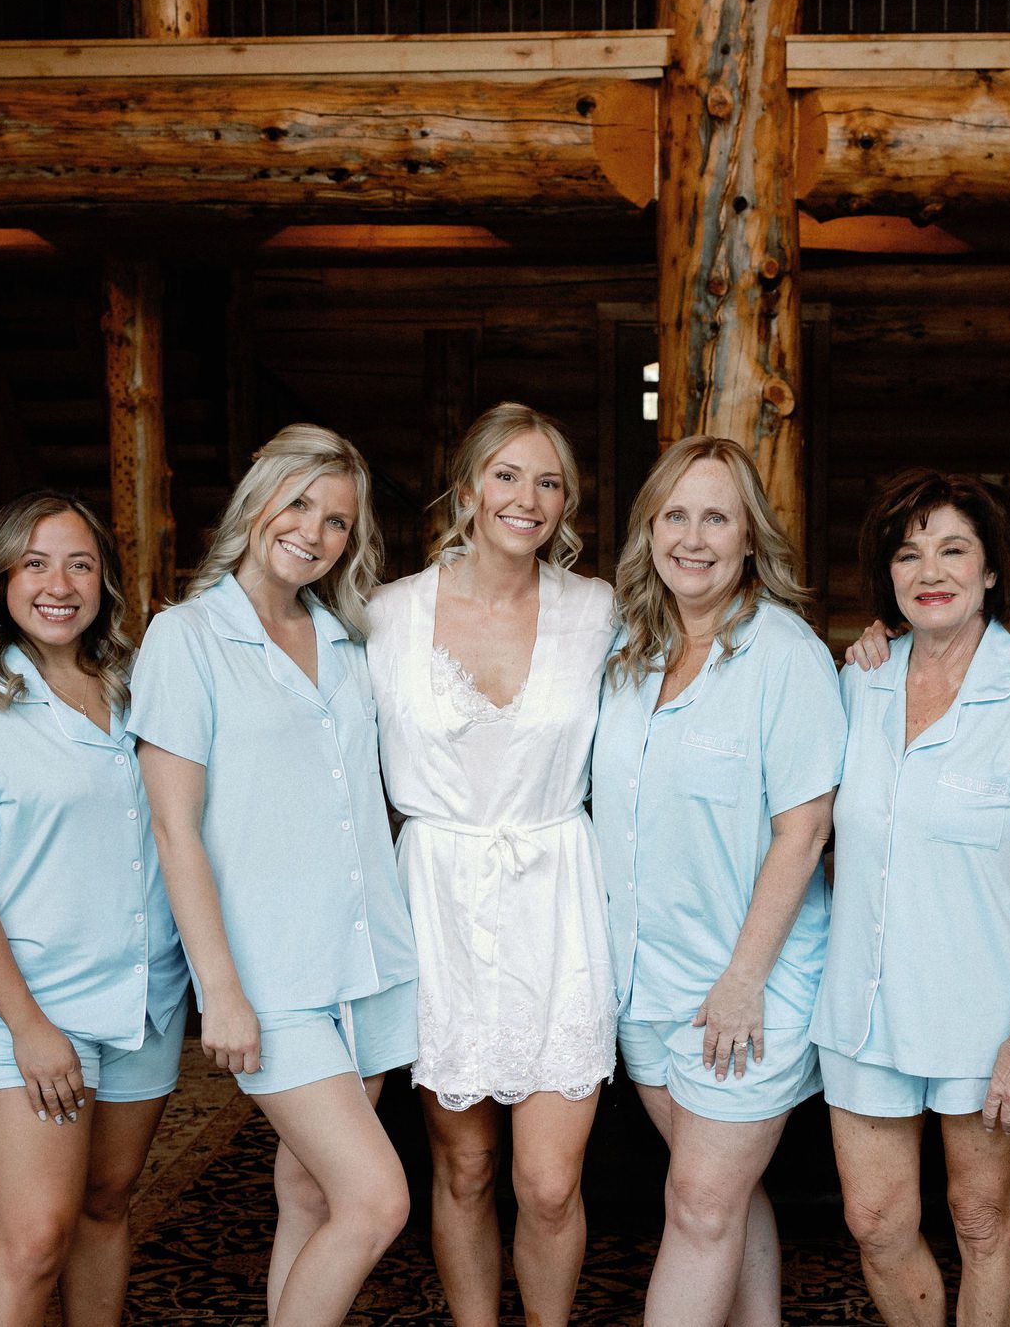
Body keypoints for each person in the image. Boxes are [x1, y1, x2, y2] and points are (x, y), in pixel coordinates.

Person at [131, 424, 416, 1327]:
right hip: (272, 972)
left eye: (337, 520)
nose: (313, 531)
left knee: (313, 1195)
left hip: (368, 959)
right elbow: (175, 830)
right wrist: (221, 990)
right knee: (377, 1201)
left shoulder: (348, 638)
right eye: (298, 503)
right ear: (257, 502)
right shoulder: (186, 639)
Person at [816, 469, 1010, 1327]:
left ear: (988, 571)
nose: (929, 569)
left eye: (952, 549)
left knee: (980, 1220)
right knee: (875, 1222)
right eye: (909, 554)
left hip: (986, 1022)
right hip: (864, 1008)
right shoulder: (856, 683)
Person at [364, 402, 616, 1327]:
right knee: (463, 1166)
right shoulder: (386, 618)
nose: (528, 498)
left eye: (549, 482)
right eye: (508, 475)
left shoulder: (601, 613)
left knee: (549, 1182)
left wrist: (873, 646)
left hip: (556, 895)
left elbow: (709, 652)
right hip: (439, 901)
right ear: (466, 488)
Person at [0, 493, 189, 1326]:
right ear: (0, 578)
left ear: (104, 576)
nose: (57, 584)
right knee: (35, 1240)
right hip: (29, 1006)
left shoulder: (142, 688)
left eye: (78, 563)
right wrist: (30, 1027)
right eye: (33, 564)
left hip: (146, 996)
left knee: (105, 1203)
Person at [592, 434, 844, 1327]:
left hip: (746, 990)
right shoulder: (628, 650)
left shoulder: (787, 657)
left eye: (716, 518)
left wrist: (741, 983)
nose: (691, 538)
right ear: (649, 529)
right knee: (720, 1197)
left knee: (698, 1206)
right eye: (674, 516)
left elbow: (805, 828)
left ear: (749, 538)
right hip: (644, 986)